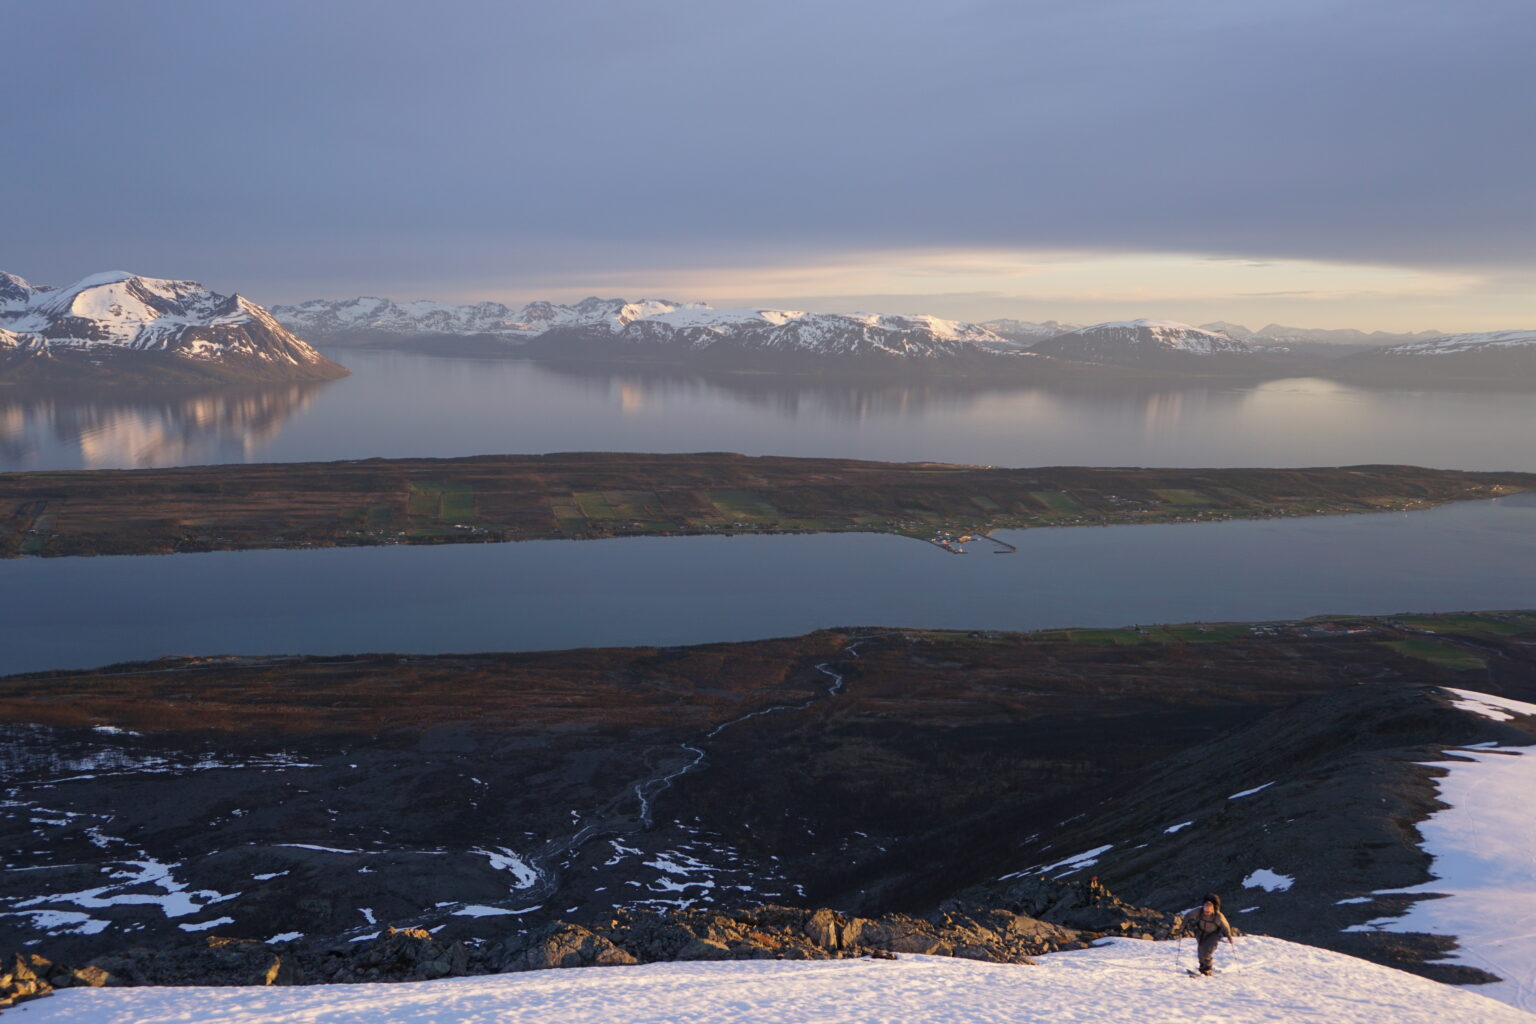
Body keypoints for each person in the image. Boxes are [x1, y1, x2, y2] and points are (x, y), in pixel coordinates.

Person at [1174, 892, 1234, 975]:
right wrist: (1182, 926)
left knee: (1206, 952)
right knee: (1200, 950)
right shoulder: (1199, 911)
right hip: (1201, 932)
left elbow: (1226, 926)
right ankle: (1202, 967)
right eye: (1205, 911)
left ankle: (1207, 969)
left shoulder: (1218, 916)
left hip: (1214, 934)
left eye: (1208, 911)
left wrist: (1229, 936)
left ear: (1213, 909)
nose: (1206, 913)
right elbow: (1188, 915)